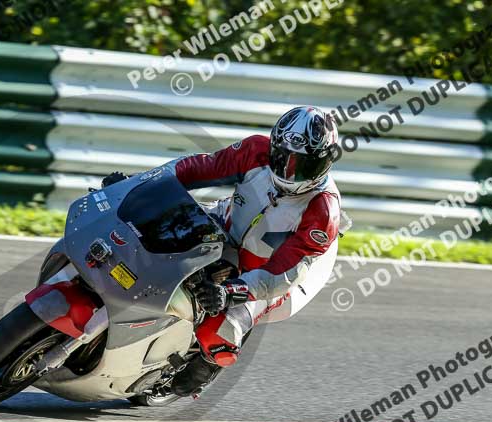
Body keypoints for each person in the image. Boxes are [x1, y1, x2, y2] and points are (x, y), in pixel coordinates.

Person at [106, 106, 344, 397]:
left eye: (303, 165)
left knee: (220, 332)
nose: (290, 172)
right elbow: (194, 168)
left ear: (325, 163)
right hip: (229, 223)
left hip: (280, 273)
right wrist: (136, 184)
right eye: (283, 159)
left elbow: (285, 272)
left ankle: (207, 364)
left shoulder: (322, 210)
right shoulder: (254, 151)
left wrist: (232, 292)